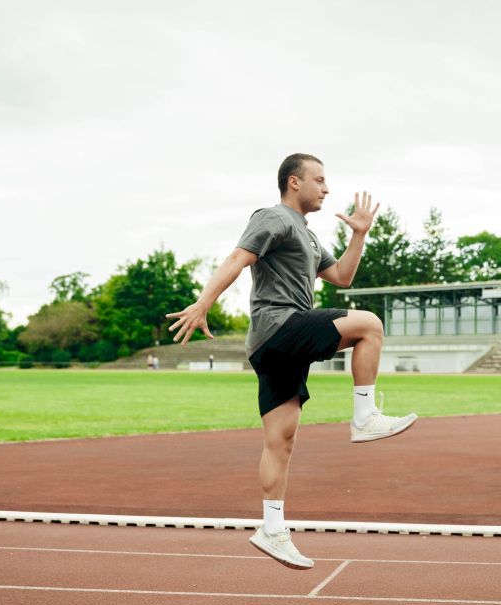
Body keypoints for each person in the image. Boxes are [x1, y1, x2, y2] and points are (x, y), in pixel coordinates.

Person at [167, 153, 417, 570]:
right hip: (279, 325)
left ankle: (272, 529)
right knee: (370, 326)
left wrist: (359, 234)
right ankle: (364, 416)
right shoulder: (274, 217)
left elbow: (342, 277)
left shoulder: (309, 236)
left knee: (280, 440)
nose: (327, 188)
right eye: (319, 180)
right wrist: (203, 302)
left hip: (272, 344)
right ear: (294, 181)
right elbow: (238, 257)